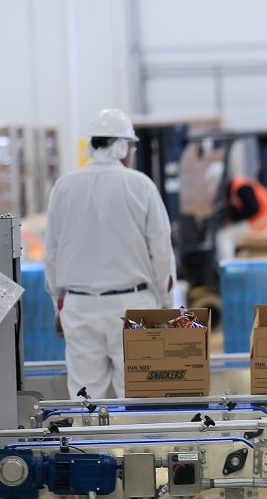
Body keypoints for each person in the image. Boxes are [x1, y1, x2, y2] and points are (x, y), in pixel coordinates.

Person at [45, 108, 175, 399]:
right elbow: (161, 250)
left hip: (79, 307)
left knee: (85, 400)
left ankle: (89, 445)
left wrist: (59, 305)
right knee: (140, 396)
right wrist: (165, 306)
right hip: (135, 306)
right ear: (121, 146)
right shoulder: (140, 185)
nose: (132, 152)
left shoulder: (63, 187)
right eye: (131, 145)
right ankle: (139, 445)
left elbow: (51, 254)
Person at [212, 166, 267, 263]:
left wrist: (233, 220)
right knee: (230, 233)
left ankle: (229, 265)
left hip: (261, 223)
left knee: (223, 236)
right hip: (265, 222)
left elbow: (252, 209)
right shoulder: (239, 185)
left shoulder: (241, 188)